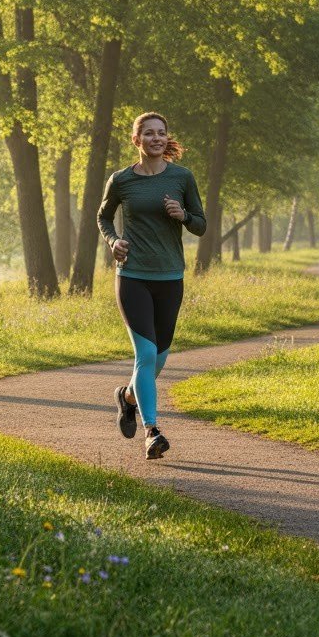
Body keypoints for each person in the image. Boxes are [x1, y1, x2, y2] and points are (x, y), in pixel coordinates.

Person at [97, 112, 207, 459]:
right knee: (144, 354)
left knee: (158, 360)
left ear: (166, 138)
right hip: (132, 277)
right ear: (137, 140)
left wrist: (184, 216)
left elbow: (201, 225)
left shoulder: (182, 178)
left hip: (170, 278)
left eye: (161, 133)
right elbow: (103, 216)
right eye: (149, 133)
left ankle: (127, 398)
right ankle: (152, 431)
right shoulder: (121, 180)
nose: (156, 138)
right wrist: (113, 241)